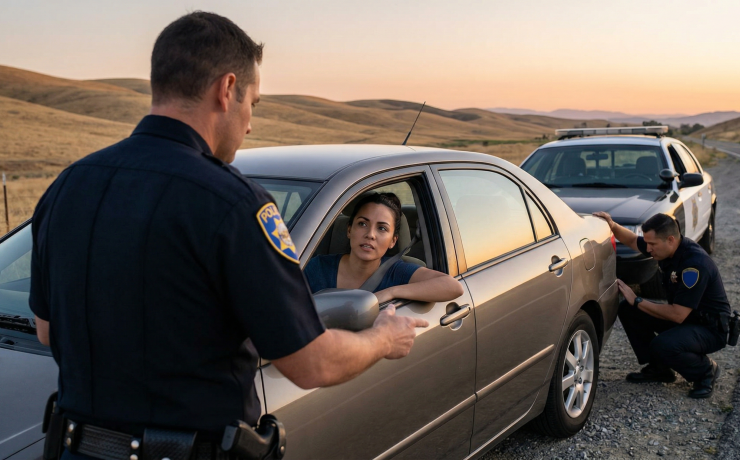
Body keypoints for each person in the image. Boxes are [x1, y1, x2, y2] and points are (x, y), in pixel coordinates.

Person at [29, 12, 428, 460]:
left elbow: (47, 331)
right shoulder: (235, 205)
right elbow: (310, 362)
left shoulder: (67, 187)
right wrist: (383, 339)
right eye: (253, 103)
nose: (251, 123)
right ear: (226, 90)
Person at [593, 212, 730, 398]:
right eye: (647, 244)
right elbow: (633, 240)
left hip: (709, 328)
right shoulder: (666, 248)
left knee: (663, 344)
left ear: (670, 240)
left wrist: (639, 300)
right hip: (688, 318)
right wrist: (612, 224)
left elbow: (677, 315)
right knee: (628, 309)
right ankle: (660, 369)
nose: (648, 249)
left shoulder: (694, 265)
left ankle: (706, 371)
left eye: (652, 245)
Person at [304, 192, 464, 303]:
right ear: (349, 230)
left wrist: (390, 292)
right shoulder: (317, 267)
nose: (370, 234)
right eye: (362, 224)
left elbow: (453, 287)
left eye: (382, 228)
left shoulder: (397, 272)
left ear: (393, 241)